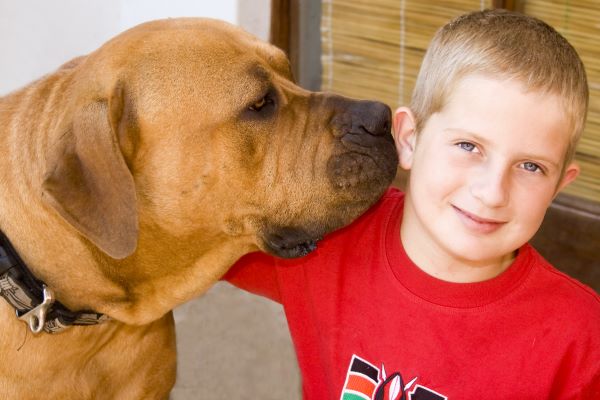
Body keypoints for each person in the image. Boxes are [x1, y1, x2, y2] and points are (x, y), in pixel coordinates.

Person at [225, 9, 600, 399]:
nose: (492, 193)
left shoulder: (582, 339)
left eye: (530, 166)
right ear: (409, 140)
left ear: (558, 185)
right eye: (468, 146)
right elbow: (182, 238)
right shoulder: (328, 231)